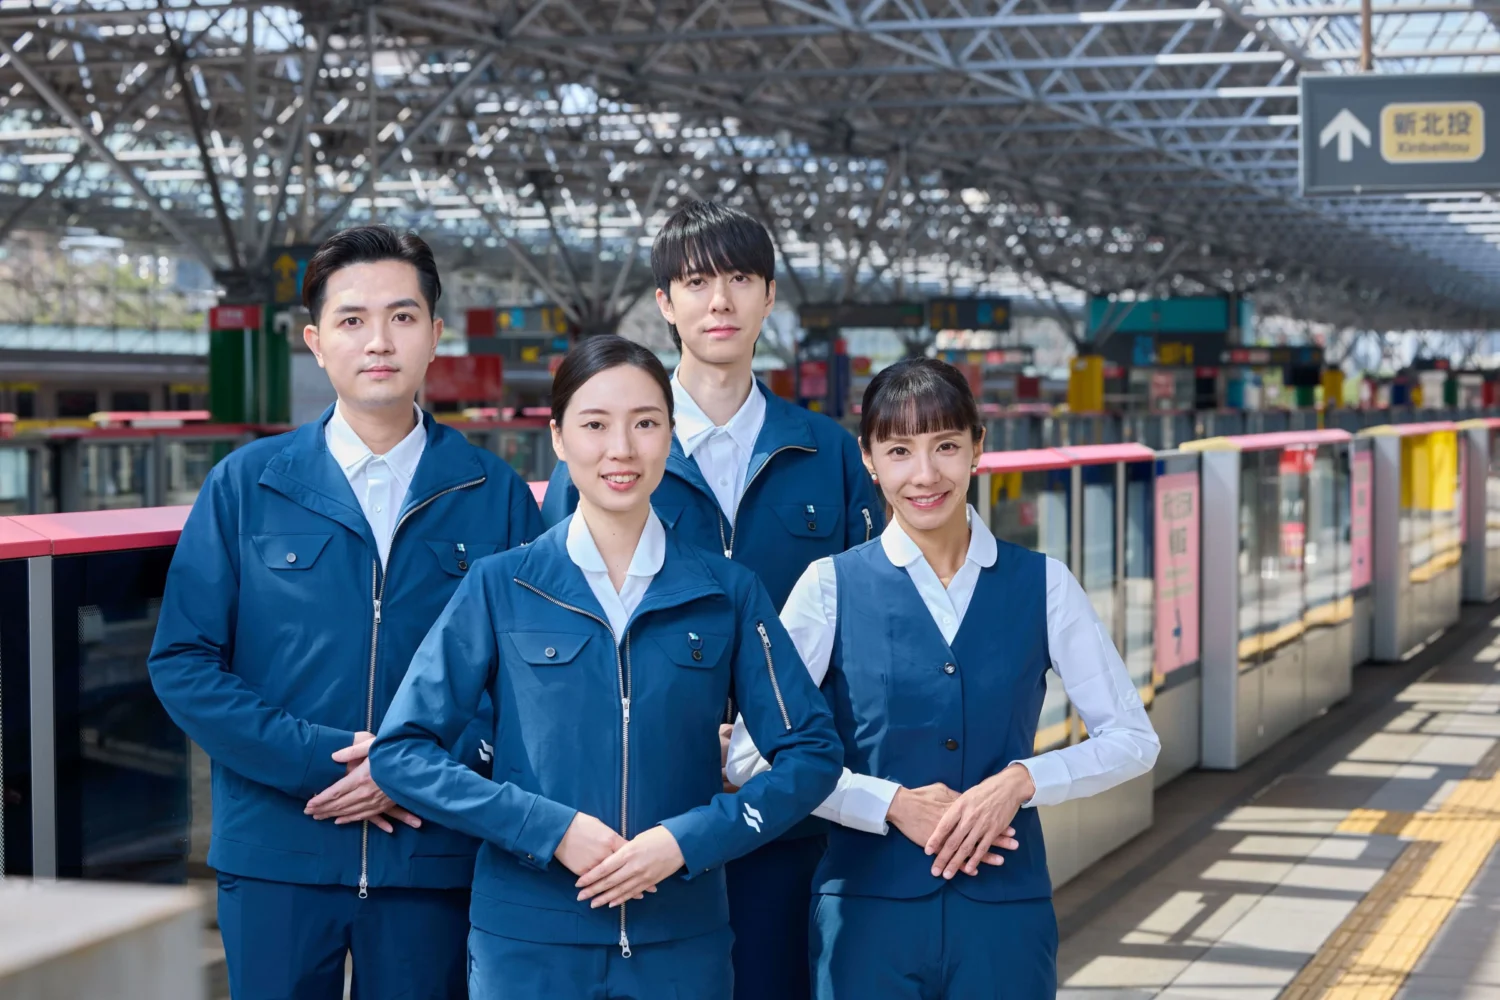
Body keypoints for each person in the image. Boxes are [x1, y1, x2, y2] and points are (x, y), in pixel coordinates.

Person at [369, 334, 844, 1000]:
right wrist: (548, 829)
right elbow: (401, 754)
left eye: (645, 424)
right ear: (559, 439)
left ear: (670, 437)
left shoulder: (727, 593)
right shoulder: (499, 586)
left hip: (680, 945)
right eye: (594, 425)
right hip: (528, 947)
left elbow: (812, 754)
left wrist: (689, 841)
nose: (621, 449)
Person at [148, 226, 543, 1000]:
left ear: (435, 334)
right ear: (316, 343)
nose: (379, 341)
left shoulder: (493, 494)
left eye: (402, 317)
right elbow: (184, 664)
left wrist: (412, 770)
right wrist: (317, 759)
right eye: (352, 319)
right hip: (277, 853)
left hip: (436, 853)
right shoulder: (246, 485)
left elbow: (531, 681)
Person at [726, 358, 1161, 999]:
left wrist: (1022, 780)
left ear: (978, 447)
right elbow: (750, 756)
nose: (925, 475)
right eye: (899, 451)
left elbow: (1133, 739)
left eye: (946, 447)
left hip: (1005, 917)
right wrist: (887, 803)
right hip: (865, 916)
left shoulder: (1044, 584)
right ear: (870, 460)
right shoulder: (829, 588)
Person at [541, 201, 884, 1000]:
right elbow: (558, 626)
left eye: (739, 279)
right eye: (696, 283)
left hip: (791, 813)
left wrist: (771, 742)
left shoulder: (828, 454)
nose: (719, 301)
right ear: (665, 304)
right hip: (643, 815)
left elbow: (865, 630)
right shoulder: (607, 452)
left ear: (770, 296)